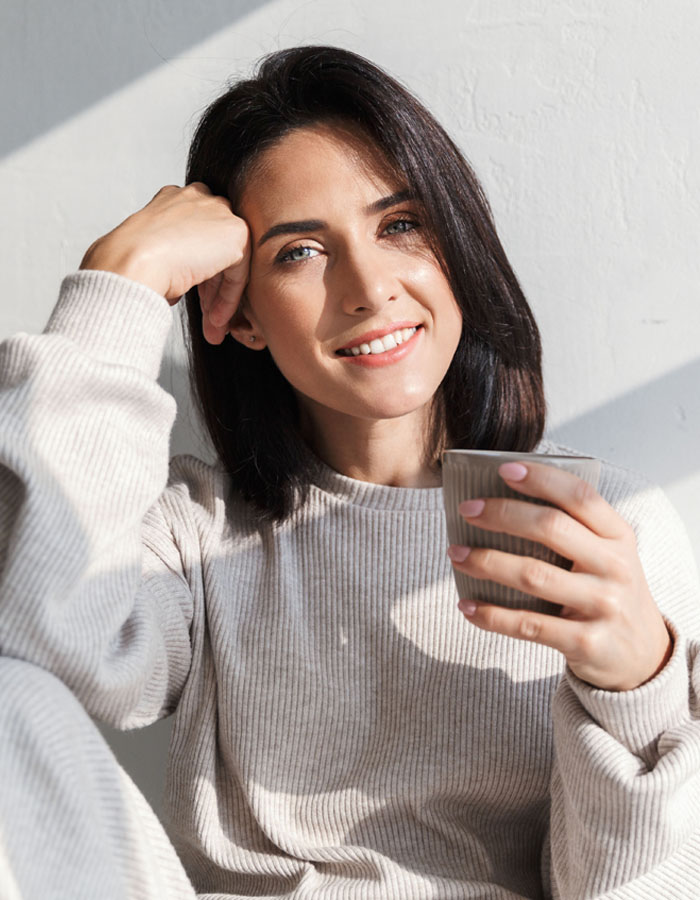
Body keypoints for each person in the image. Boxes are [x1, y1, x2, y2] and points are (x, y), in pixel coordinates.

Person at [0, 44, 699, 900]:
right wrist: (123, 285)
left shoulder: (596, 524)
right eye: (299, 252)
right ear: (243, 314)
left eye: (400, 225)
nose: (369, 287)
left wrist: (635, 692)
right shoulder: (195, 534)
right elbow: (37, 647)